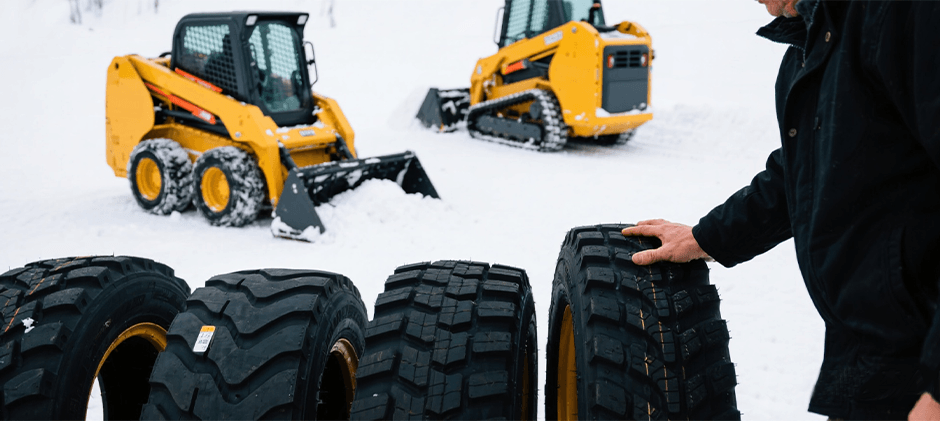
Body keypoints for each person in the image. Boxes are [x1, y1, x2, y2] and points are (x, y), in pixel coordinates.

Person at [621, 0, 940, 419]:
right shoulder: (807, 51)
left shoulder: (902, 14)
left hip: (922, 359)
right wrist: (706, 236)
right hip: (872, 358)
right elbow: (803, 172)